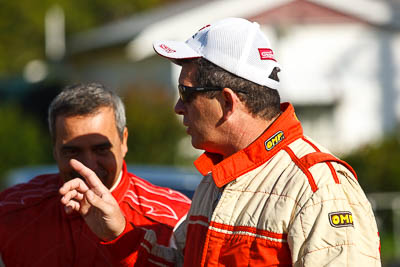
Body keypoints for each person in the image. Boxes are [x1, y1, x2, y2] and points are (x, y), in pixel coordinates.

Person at [59, 18, 381, 266]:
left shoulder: (318, 187)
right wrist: (118, 233)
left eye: (186, 93)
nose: (178, 107)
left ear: (227, 102)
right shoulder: (216, 178)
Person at [0, 83, 191, 266]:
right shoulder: (12, 211)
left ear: (123, 141)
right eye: (72, 151)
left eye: (101, 149)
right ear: (54, 148)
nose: (89, 165)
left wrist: (122, 237)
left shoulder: (175, 221)